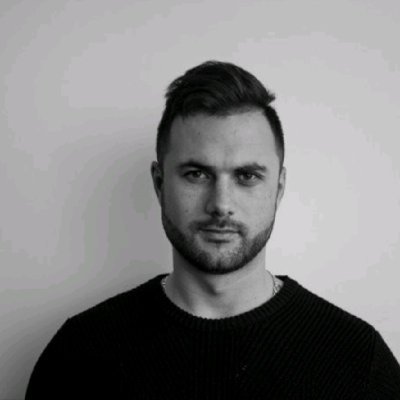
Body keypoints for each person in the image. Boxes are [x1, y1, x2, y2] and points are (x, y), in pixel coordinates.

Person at [26, 61, 400, 399]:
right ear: (159, 184)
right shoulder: (79, 355)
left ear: (279, 188)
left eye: (247, 176)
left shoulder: (358, 360)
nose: (221, 204)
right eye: (197, 174)